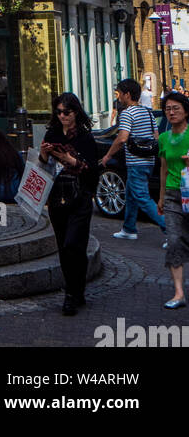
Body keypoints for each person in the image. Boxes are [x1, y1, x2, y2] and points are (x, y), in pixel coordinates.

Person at [40, 92, 100, 315]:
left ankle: (73, 294)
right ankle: (74, 291)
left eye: (67, 112)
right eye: (59, 112)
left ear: (76, 112)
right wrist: (45, 154)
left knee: (75, 244)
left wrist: (69, 159)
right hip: (57, 197)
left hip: (80, 197)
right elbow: (42, 164)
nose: (63, 116)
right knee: (64, 248)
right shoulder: (52, 133)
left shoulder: (84, 137)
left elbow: (92, 168)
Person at [100, 77, 165, 242]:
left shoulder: (127, 113)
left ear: (127, 95)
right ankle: (129, 229)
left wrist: (108, 155)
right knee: (130, 195)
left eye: (119, 94)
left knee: (142, 197)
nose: (118, 97)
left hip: (136, 162)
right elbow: (156, 137)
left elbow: (122, 138)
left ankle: (171, 232)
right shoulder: (147, 112)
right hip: (148, 161)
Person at [156, 90, 189, 310]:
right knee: (174, 242)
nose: (171, 112)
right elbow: (164, 168)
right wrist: (160, 197)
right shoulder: (164, 138)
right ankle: (179, 293)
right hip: (172, 195)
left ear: (186, 111)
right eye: (167, 109)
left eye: (175, 108)